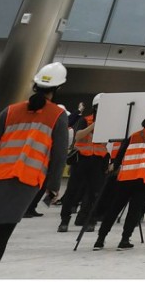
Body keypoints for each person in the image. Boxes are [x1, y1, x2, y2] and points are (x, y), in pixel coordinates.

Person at [0, 63, 69, 262]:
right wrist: (53, 187)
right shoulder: (58, 115)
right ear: (58, 88)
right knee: (2, 234)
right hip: (25, 182)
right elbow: (59, 154)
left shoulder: (11, 110)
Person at [92, 105, 145, 250]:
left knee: (114, 208)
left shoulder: (134, 135)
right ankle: (124, 240)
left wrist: (114, 166)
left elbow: (120, 154)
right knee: (134, 211)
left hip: (125, 177)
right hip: (144, 179)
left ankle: (100, 239)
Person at [58, 92, 109, 233]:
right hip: (82, 160)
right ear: (95, 107)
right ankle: (64, 220)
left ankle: (89, 219)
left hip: (98, 161)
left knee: (94, 193)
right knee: (72, 191)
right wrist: (94, 126)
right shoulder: (85, 120)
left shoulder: (110, 124)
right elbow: (78, 135)